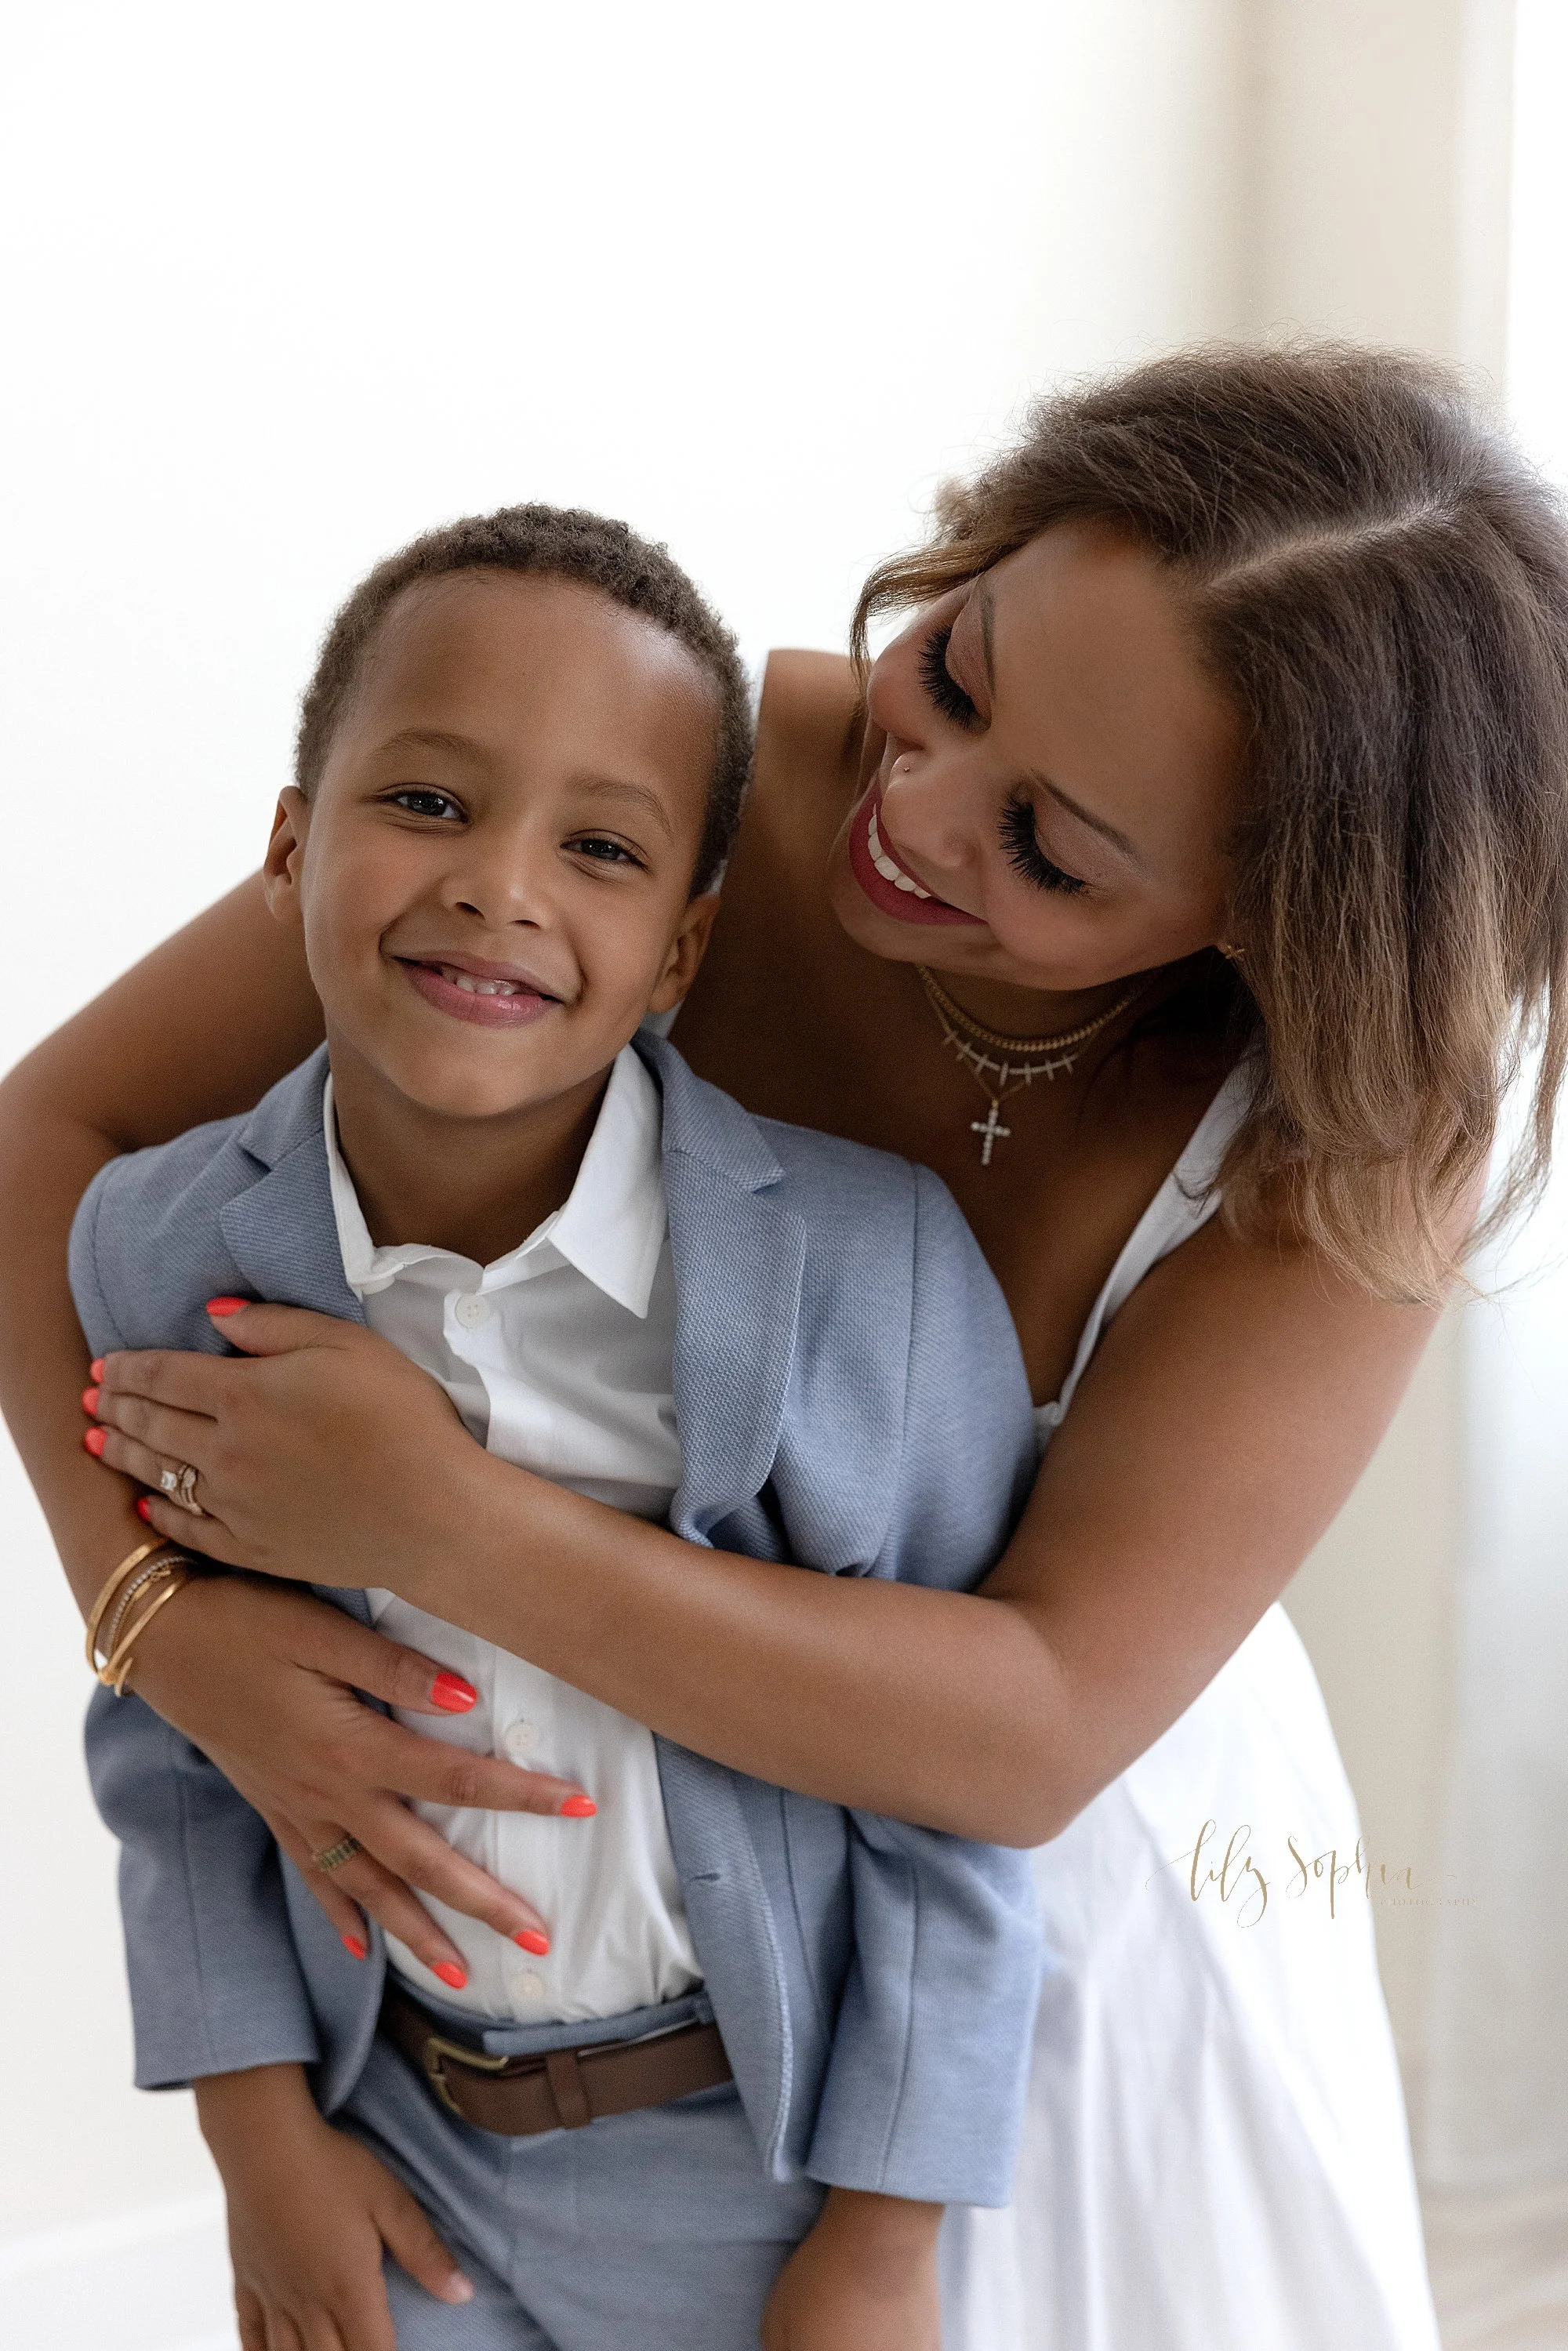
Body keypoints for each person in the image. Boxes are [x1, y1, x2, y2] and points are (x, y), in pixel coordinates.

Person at [7, 345, 1568, 2347]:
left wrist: (446, 1519)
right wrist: (158, 1612)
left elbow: (1023, 1728)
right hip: (585, 1948)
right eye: (955, 670)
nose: (910, 812)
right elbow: (46, 1145)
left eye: (1053, 848)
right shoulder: (661, 795)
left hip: (1030, 1920)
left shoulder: (1349, 1138)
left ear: (1256, 923)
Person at [70, 504, 1044, 2351]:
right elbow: (175, 1746)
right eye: (427, 803)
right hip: (398, 2150)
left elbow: (944, 1809)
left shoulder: (870, 1268)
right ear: (289, 847)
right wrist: (256, 2136)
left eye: (597, 846)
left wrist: (886, 2232)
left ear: (679, 954)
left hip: (751, 2167)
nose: (501, 885)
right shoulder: (160, 1243)